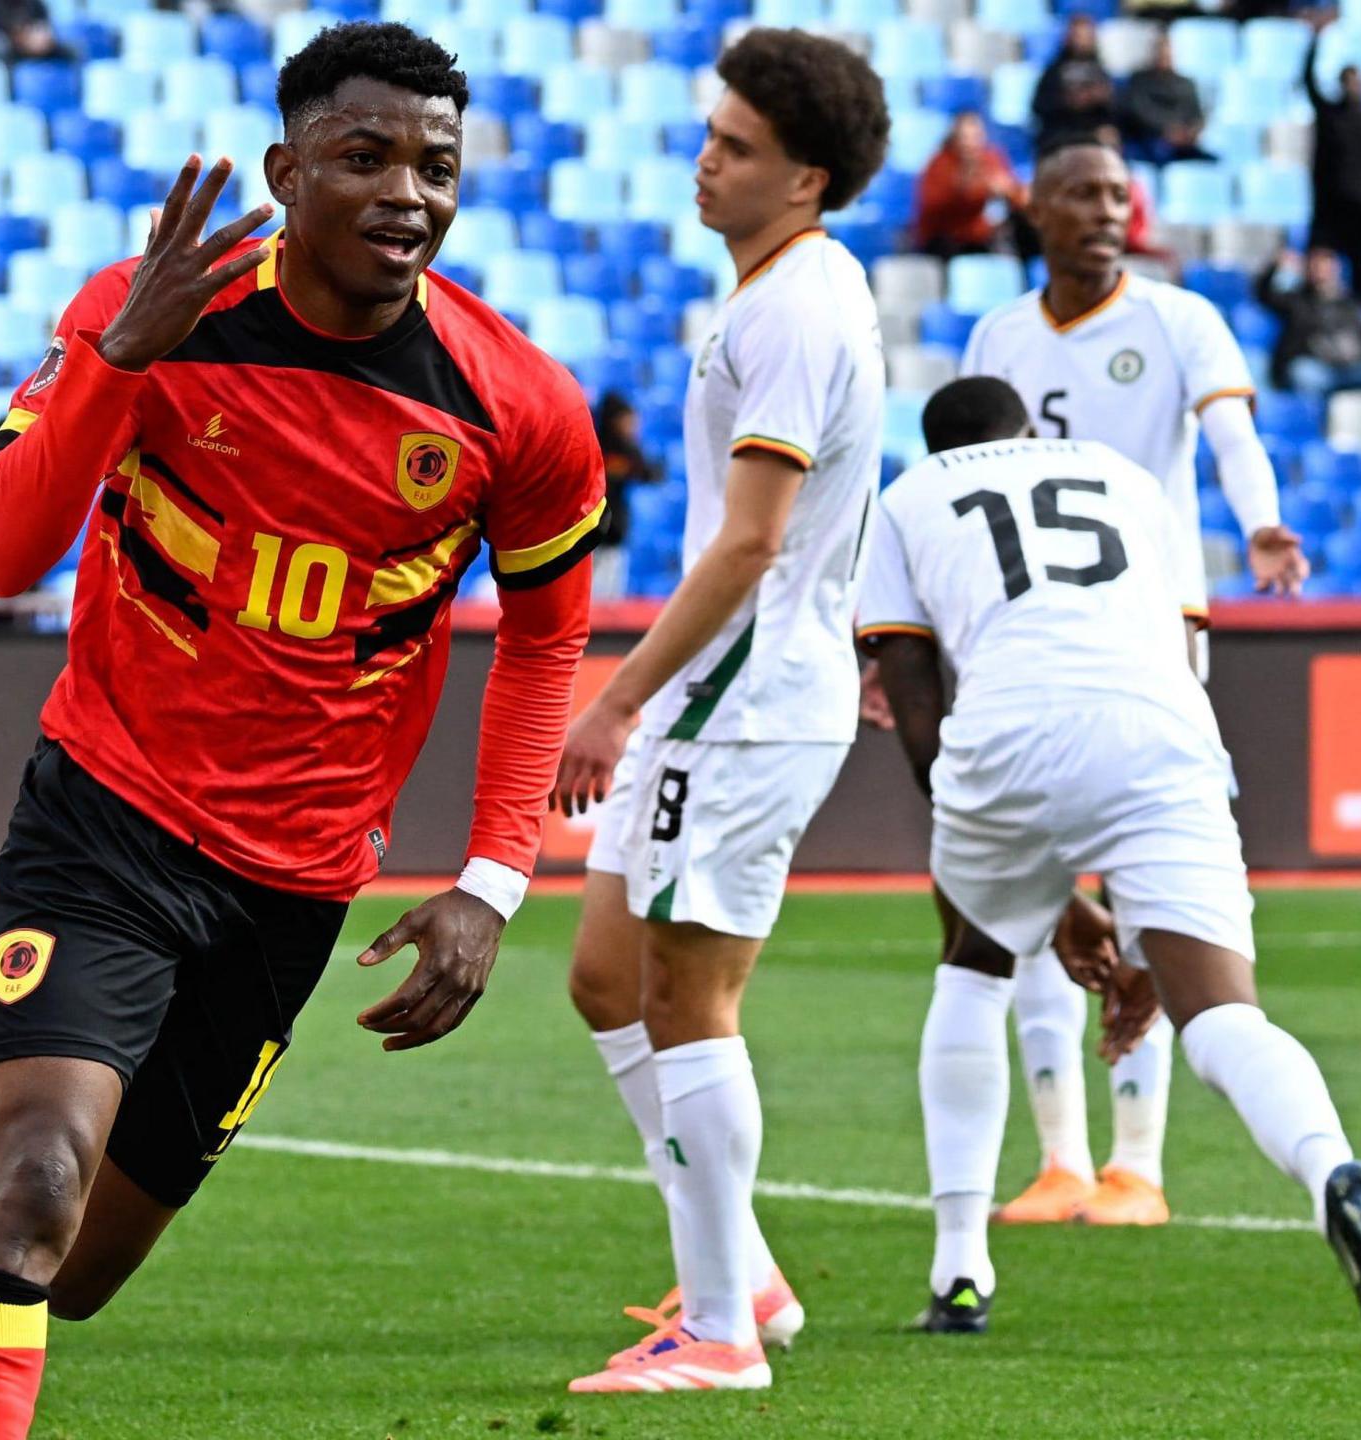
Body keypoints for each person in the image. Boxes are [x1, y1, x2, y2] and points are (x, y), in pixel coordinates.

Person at [0, 23, 604, 1438]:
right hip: (107, 818)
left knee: (75, 1275)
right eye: (365, 157)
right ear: (286, 168)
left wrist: (493, 879)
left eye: (436, 167)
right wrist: (115, 366)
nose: (408, 194)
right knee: (26, 1199)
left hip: (298, 881)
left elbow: (548, 637)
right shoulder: (154, 312)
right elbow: (0, 554)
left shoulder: (520, 407)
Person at [862, 376, 1361, 1357]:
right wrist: (1134, 928)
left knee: (971, 964)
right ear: (1034, 431)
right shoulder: (1125, 476)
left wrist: (1004, 873)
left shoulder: (908, 497)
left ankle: (959, 1271)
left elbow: (910, 688)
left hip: (1007, 731)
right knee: (1221, 1015)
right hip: (1164, 736)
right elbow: (1178, 652)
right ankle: (1333, 1169)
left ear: (935, 446)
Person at [555, 27, 889, 1398]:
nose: (707, 158)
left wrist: (616, 700)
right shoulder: (779, 291)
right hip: (720, 695)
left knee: (693, 999)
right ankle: (738, 1267)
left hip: (738, 701)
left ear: (805, 179)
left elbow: (752, 543)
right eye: (711, 131)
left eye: (739, 147)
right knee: (602, 976)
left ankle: (717, 1333)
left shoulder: (797, 310)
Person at [957, 136, 1306, 1232]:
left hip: (1151, 621)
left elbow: (1229, 431)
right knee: (1039, 886)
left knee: (1146, 877)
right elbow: (968, 481)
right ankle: (1061, 1157)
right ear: (1037, 210)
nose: (1108, 211)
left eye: (1120, 194)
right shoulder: (998, 334)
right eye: (1083, 194)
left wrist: (1259, 523)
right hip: (1023, 635)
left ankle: (1138, 1164)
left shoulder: (1176, 319)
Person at [1303, 10, 1361, 304]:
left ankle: (1356, 327)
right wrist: (1316, 40)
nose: (1355, 87)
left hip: (1358, 206)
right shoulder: (1330, 116)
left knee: (1358, 268)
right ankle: (1316, 324)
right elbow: (1309, 82)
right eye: (1349, 81)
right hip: (1328, 204)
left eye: (1358, 81)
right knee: (1319, 264)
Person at [1255, 246, 1361, 396]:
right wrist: (1275, 265)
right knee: (1303, 374)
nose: (1323, 272)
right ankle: (1313, 423)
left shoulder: (1353, 303)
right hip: (1321, 368)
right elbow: (1263, 293)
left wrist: (1357, 352)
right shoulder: (1296, 300)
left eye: (1328, 265)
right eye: (1317, 266)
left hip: (1356, 367)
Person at [915, 112, 1025, 259]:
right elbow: (935, 207)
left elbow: (1014, 193)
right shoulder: (939, 164)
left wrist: (1007, 191)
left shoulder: (992, 158)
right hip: (948, 239)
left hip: (983, 238)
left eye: (976, 136)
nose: (971, 143)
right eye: (965, 137)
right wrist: (977, 190)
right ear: (955, 139)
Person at [1118, 28, 1215, 166]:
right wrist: (1169, 130)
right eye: (1161, 52)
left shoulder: (1186, 83)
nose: (1164, 56)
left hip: (1184, 141)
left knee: (1210, 162)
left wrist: (1191, 131)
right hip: (1151, 139)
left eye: (1168, 53)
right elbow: (1141, 112)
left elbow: (1196, 114)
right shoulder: (1139, 80)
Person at [587, 390, 647, 599]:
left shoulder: (627, 449)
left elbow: (648, 473)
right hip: (585, 535)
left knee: (608, 600)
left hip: (613, 535)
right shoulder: (593, 443)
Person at [1033, 13, 1117, 145]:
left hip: (1093, 133)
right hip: (1061, 133)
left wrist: (1104, 98)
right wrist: (1070, 101)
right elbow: (1039, 107)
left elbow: (1113, 111)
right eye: (1077, 36)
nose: (1080, 41)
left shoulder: (1100, 71)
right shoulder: (1053, 71)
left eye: (1085, 36)